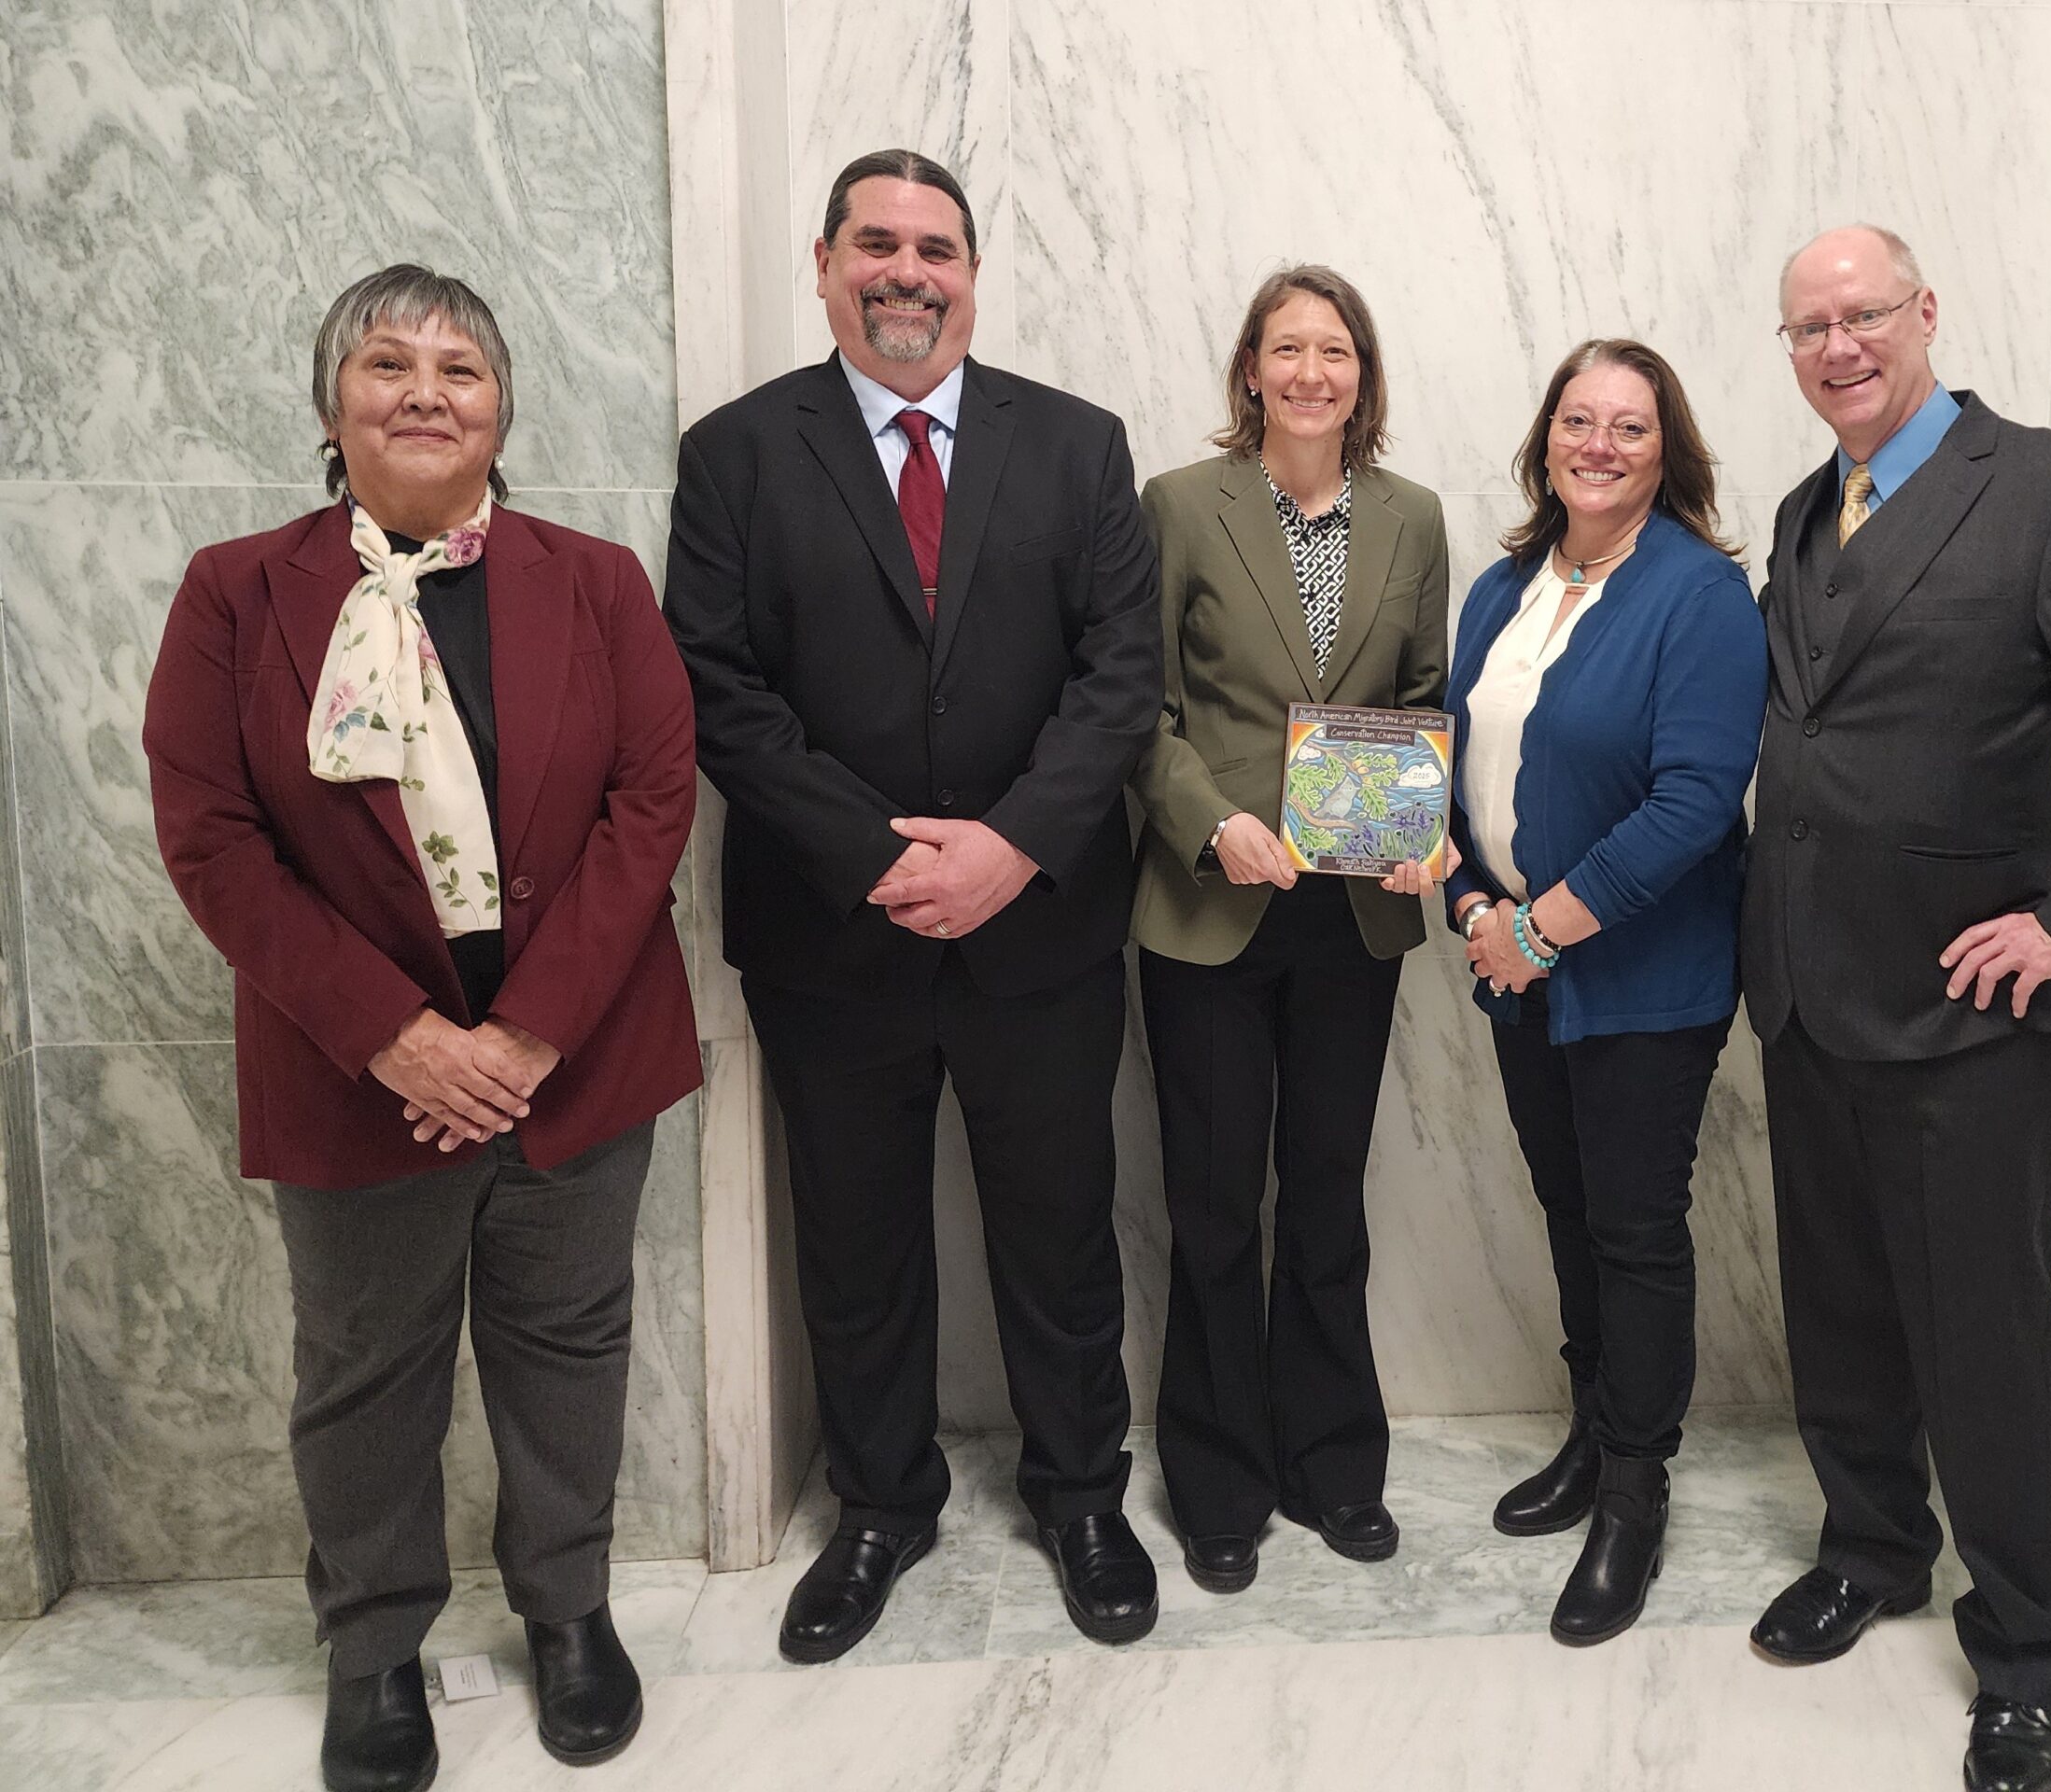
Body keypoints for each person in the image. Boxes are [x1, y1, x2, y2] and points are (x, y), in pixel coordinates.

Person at [143, 265, 700, 1792]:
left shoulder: (593, 583)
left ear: (501, 409)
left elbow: (650, 809)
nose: (424, 392)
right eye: (386, 364)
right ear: (335, 408)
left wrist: (522, 1037)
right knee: (366, 1366)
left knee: (569, 1344)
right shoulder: (236, 594)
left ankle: (568, 1611)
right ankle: (373, 1646)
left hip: (576, 1058)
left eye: (458, 369)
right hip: (354, 1075)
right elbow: (211, 840)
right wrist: (397, 1035)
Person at [1743, 226, 2051, 1792]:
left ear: (1926, 313)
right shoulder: (1804, 510)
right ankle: (1874, 1546)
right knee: (1841, 1312)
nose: (1838, 347)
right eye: (1807, 327)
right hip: (1809, 994)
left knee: (1988, 1342)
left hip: (1968, 1014)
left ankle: (2026, 1650)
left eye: (1863, 315)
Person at [664, 149, 1164, 1654]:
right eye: (875, 244)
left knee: (1061, 1230)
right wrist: (876, 855)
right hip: (833, 937)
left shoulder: (1077, 447)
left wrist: (1008, 847)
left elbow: (1119, 678)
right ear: (823, 266)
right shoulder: (740, 451)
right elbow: (719, 686)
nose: (906, 272)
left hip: (1042, 932)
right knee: (860, 1241)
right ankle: (882, 1507)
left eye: (935, 248)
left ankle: (1082, 1494)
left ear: (971, 273)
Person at [1419, 339, 1764, 1647]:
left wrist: (1541, 933)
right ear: (1546, 438)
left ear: (1664, 450)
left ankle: (1635, 1493)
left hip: (1642, 977)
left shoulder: (1701, 596)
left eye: (1630, 426)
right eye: (1580, 420)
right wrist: (1469, 906)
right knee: (1568, 1209)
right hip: (1514, 962)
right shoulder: (1505, 584)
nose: (1601, 445)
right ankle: (1587, 1436)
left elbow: (1693, 802)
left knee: (1634, 1228)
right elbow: (1454, 762)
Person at [1131, 266, 1448, 1592]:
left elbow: (1425, 695)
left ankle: (1334, 1463)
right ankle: (1218, 1478)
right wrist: (1209, 821)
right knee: (1212, 1203)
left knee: (1325, 1200)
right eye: (1287, 348)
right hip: (1208, 910)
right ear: (1250, 370)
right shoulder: (1176, 508)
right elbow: (1133, 710)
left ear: (1361, 376)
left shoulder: (1413, 518)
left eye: (1337, 350)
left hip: (1352, 922)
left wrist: (1422, 815)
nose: (1312, 371)